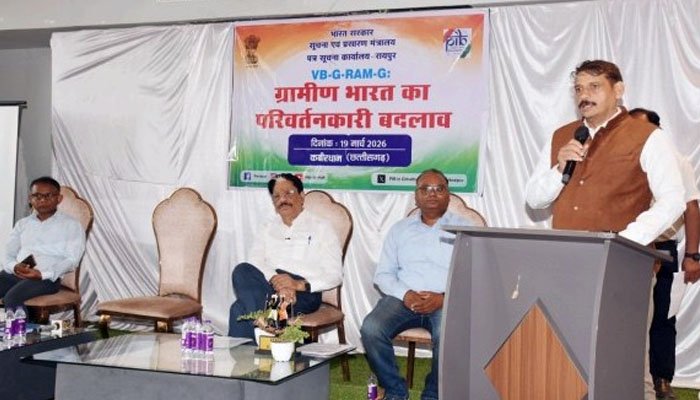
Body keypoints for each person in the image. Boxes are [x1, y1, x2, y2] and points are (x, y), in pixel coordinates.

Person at [525, 60, 686, 400]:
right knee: (567, 355)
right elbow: (535, 199)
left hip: (623, 266)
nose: (584, 95)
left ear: (619, 90)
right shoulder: (563, 136)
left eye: (594, 86)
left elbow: (673, 200)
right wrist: (559, 167)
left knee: (626, 360)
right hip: (566, 264)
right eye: (579, 89)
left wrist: (622, 243)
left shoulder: (647, 136)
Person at [361, 169, 472, 400]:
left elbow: (472, 275)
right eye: (425, 189)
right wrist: (406, 294)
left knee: (448, 336)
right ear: (416, 196)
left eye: (439, 189)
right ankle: (395, 391)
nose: (432, 194)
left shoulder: (466, 229)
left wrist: (444, 298)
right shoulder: (399, 230)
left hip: (444, 301)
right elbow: (383, 274)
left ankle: (433, 394)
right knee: (371, 329)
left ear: (448, 195)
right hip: (403, 300)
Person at [629, 107, 700, 400]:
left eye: (640, 129)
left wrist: (693, 255)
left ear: (656, 132)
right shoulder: (623, 161)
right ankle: (622, 375)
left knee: (662, 317)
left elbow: (691, 208)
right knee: (625, 317)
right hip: (625, 246)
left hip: (663, 249)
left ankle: (661, 380)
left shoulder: (675, 161)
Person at [228, 173, 342, 338]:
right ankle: (271, 326)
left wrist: (297, 285)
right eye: (277, 196)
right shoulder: (267, 227)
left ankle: (266, 327)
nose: (283, 199)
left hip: (304, 293)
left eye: (288, 193)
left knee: (239, 309)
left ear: (302, 196)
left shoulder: (322, 227)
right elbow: (255, 260)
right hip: (270, 286)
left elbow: (335, 275)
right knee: (242, 270)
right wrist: (278, 282)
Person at [0, 176, 86, 311]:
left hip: (46, 279)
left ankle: (19, 326)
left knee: (12, 298)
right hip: (17, 274)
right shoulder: (23, 224)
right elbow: (8, 253)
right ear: (30, 199)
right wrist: (15, 266)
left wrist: (42, 274)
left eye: (48, 196)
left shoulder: (71, 225)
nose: (42, 200)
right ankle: (23, 323)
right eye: (37, 196)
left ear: (59, 198)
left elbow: (72, 259)